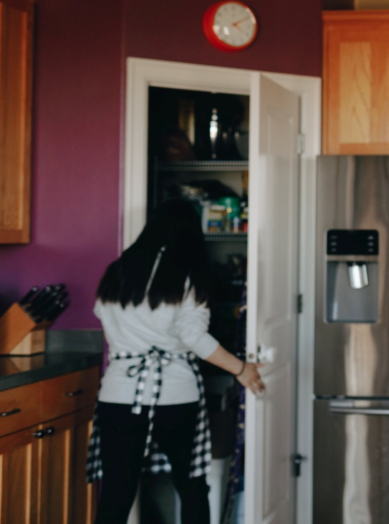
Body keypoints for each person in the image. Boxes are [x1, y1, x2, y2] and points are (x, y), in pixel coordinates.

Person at [88, 199, 265, 524]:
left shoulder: (117, 272)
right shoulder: (187, 276)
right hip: (175, 394)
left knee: (116, 490)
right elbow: (194, 338)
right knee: (191, 486)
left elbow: (102, 314)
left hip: (119, 394)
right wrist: (241, 369)